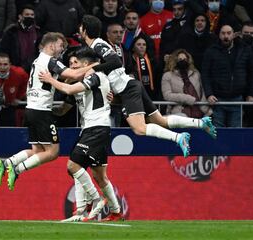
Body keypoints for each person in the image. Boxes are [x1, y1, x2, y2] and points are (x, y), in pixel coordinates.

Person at [76, 15, 218, 157]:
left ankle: (179, 138)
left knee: (139, 129)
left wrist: (94, 68)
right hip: (130, 86)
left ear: (85, 30)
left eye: (81, 27)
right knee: (160, 121)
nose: (79, 29)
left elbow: (115, 62)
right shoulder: (96, 45)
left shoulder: (97, 44)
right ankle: (200, 123)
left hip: (128, 89)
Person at [0, 32, 97, 191]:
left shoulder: (38, 60)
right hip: (42, 111)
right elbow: (75, 73)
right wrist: (97, 65)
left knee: (37, 150)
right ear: (52, 44)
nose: (62, 49)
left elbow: (66, 79)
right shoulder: (51, 61)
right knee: (52, 152)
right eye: (61, 46)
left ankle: (6, 162)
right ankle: (17, 169)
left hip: (31, 109)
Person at [40, 47, 123, 222]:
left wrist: (49, 79)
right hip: (92, 128)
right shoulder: (82, 82)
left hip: (96, 128)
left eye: (75, 63)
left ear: (85, 64)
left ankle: (94, 201)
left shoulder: (94, 77)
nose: (71, 67)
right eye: (69, 64)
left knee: (73, 166)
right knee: (99, 176)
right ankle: (116, 211)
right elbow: (65, 106)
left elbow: (69, 90)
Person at [202, 24, 253, 127]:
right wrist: (209, 94)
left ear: (234, 34)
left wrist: (251, 94)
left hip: (237, 99)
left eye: (228, 33)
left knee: (236, 133)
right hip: (218, 99)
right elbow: (205, 74)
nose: (226, 36)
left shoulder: (244, 49)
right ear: (219, 35)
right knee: (218, 133)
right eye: (223, 33)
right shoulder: (211, 51)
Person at [161, 49, 212, 118]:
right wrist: (187, 98)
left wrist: (206, 110)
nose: (182, 61)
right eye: (180, 59)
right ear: (175, 61)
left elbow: (202, 92)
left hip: (199, 112)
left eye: (185, 59)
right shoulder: (167, 76)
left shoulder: (196, 74)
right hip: (179, 112)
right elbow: (167, 95)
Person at [0, 4, 41, 72]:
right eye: (27, 14)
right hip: (14, 69)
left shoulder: (38, 32)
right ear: (20, 16)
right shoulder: (11, 31)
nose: (30, 17)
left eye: (32, 15)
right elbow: (3, 50)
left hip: (33, 69)